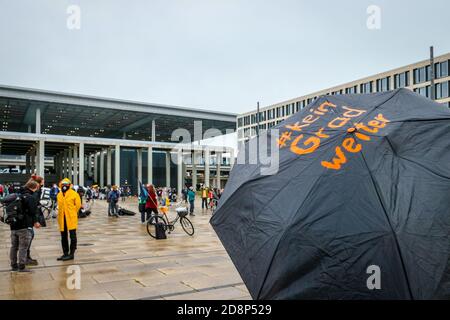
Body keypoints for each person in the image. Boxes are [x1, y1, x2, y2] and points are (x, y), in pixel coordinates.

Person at [9, 180, 41, 272]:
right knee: (23, 247)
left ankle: (14, 265)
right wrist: (36, 222)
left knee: (14, 247)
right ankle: (22, 266)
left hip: (13, 225)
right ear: (34, 188)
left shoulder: (17, 195)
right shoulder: (30, 197)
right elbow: (32, 212)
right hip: (24, 226)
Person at [57, 178, 81, 261]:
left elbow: (78, 205)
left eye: (66, 184)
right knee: (63, 236)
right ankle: (65, 253)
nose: (64, 186)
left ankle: (72, 254)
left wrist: (72, 212)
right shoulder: (59, 195)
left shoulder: (74, 194)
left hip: (71, 218)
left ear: (69, 185)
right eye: (63, 184)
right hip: (62, 218)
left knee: (72, 236)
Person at [26, 175, 45, 266]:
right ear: (39, 182)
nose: (44, 182)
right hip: (28, 218)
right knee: (29, 236)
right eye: (43, 181)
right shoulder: (36, 192)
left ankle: (26, 257)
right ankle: (26, 258)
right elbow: (33, 208)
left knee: (28, 236)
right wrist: (36, 221)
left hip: (26, 218)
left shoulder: (30, 190)